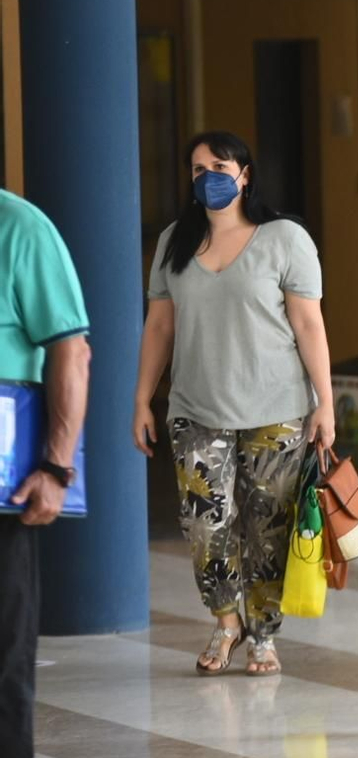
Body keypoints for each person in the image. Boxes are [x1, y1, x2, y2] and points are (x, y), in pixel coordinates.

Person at [132, 132, 334, 678]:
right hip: (196, 408)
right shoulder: (175, 241)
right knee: (205, 527)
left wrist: (325, 403)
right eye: (197, 169)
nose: (207, 177)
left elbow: (309, 324)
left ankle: (263, 634)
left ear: (245, 173)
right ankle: (226, 621)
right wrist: (142, 399)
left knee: (268, 527)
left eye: (219, 165)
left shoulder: (285, 238)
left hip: (278, 409)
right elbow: (159, 326)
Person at [0, 191, 90, 758]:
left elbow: (70, 349)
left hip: (2, 483)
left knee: (2, 650)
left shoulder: (20, 228)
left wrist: (57, 466)